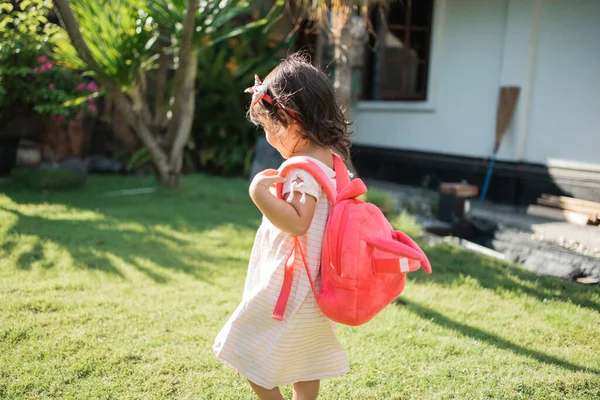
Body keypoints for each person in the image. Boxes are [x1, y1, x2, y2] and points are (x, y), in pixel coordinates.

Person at [213, 53, 352, 400]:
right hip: (315, 281)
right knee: (306, 358)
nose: (270, 139)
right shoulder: (332, 160)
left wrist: (259, 195)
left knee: (244, 345)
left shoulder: (303, 167)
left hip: (289, 284)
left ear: (289, 120)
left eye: (268, 129)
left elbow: (298, 222)